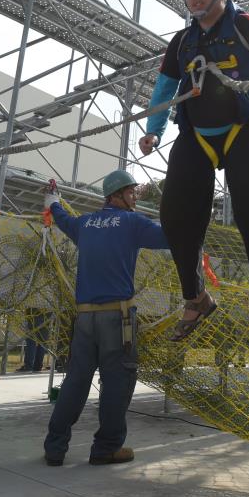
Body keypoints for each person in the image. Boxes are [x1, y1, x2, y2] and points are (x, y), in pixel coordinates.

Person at [138, 0, 249, 355]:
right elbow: (165, 88)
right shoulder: (181, 41)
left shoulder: (247, 24)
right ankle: (196, 298)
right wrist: (153, 129)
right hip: (197, 132)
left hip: (247, 127)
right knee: (175, 214)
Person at [42, 169, 171, 466]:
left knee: (76, 381)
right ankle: (106, 448)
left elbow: (63, 220)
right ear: (116, 195)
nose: (134, 198)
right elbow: (169, 236)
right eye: (130, 192)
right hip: (118, 319)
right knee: (117, 382)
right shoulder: (132, 223)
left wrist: (53, 202)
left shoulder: (85, 224)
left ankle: (55, 447)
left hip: (85, 319)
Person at [16, 308, 50, 372]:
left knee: (31, 340)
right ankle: (37, 366)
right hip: (48, 311)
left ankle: (28, 366)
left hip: (35, 311)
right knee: (42, 341)